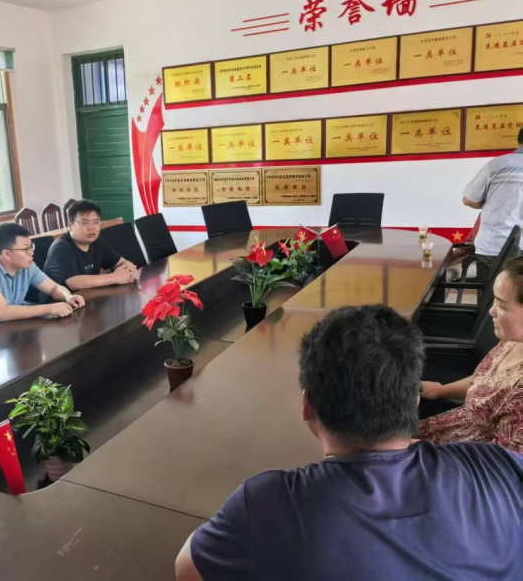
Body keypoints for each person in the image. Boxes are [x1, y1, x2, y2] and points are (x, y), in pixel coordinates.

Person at [175, 305, 523, 581]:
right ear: (414, 399)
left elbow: (188, 570)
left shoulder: (267, 503)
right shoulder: (496, 464)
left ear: (307, 406)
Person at [419, 256, 523, 453]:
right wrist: (441, 390)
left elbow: (502, 465)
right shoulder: (513, 339)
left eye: (502, 306)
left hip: (458, 459)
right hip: (449, 430)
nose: (491, 311)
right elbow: (486, 380)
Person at [0, 222, 85, 333]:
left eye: (31, 246)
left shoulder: (27, 266)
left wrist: (68, 296)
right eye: (26, 249)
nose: (31, 252)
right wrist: (49, 308)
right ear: (7, 254)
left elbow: (54, 288)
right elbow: (2, 312)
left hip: (9, 330)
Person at [462, 127, 523, 280]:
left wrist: (490, 202)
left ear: (519, 141)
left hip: (494, 245)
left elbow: (468, 199)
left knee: (491, 291)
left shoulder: (497, 164)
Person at [43, 199, 140, 290]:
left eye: (96, 222)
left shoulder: (97, 242)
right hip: (60, 301)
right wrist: (115, 277)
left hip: (88, 296)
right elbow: (75, 283)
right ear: (70, 225)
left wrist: (130, 271)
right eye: (85, 222)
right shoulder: (60, 248)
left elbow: (121, 262)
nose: (91, 227)